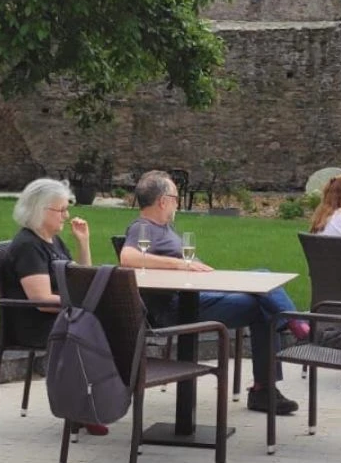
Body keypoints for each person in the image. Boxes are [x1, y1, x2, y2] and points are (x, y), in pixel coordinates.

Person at [119, 170, 303, 416]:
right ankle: (293, 336)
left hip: (195, 296)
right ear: (162, 201)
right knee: (262, 305)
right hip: (177, 308)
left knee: (261, 280)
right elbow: (127, 257)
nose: (177, 203)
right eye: (175, 198)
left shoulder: (164, 228)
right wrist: (181, 264)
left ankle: (289, 334)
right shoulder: (143, 227)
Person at [3, 179, 106, 436]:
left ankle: (94, 401)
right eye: (61, 210)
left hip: (61, 318)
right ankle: (82, 407)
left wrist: (83, 243)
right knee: (94, 332)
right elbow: (42, 301)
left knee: (109, 326)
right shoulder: (29, 246)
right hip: (35, 325)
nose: (67, 216)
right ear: (40, 210)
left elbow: (79, 279)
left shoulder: (53, 242)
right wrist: (83, 304)